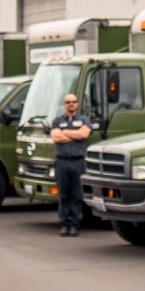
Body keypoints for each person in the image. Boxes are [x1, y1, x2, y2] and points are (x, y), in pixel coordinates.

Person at [49, 94, 93, 237]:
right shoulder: (57, 121)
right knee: (64, 194)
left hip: (78, 161)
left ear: (77, 104)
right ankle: (64, 224)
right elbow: (56, 137)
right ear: (64, 104)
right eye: (68, 102)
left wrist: (65, 133)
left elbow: (84, 134)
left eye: (74, 102)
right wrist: (75, 134)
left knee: (76, 194)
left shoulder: (84, 120)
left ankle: (74, 224)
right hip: (62, 161)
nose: (71, 104)